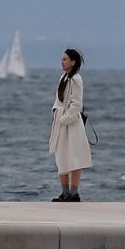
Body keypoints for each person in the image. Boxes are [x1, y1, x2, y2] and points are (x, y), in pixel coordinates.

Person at [49, 48, 91, 201]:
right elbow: (59, 100)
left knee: (74, 156)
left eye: (65, 59)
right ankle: (64, 192)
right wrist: (56, 114)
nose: (62, 61)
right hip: (61, 121)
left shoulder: (76, 79)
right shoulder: (64, 78)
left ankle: (74, 193)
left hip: (71, 124)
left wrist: (64, 119)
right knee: (62, 156)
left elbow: (76, 104)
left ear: (73, 62)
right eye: (62, 59)